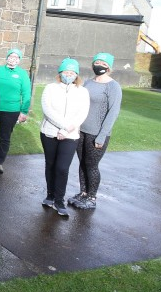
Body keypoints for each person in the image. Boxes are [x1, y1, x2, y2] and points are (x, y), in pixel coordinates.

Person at [69, 53, 122, 210]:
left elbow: (113, 112)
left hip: (97, 133)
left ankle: (92, 197)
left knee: (92, 165)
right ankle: (83, 193)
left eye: (102, 63)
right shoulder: (88, 83)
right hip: (81, 131)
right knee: (82, 163)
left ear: (108, 67)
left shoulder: (113, 86)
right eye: (96, 62)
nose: (99, 65)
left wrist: (102, 136)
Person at [39, 58, 90, 217]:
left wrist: (67, 129)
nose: (69, 75)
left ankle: (59, 200)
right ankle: (50, 195)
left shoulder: (83, 91)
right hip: (50, 132)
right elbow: (47, 109)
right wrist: (62, 126)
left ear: (77, 75)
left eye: (72, 72)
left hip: (71, 135)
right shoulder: (50, 88)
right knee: (51, 165)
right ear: (60, 73)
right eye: (66, 72)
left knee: (62, 168)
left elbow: (82, 113)